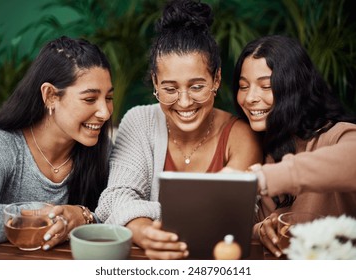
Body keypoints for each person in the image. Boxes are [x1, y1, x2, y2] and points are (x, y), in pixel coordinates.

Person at [95, 0, 262, 260]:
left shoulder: (240, 137)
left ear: (216, 79)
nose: (184, 102)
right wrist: (143, 233)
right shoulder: (139, 121)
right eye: (170, 89)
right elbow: (114, 199)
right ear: (155, 82)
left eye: (196, 87)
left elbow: (231, 216)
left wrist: (137, 215)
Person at [231, 34, 356, 257]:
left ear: (294, 87)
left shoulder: (335, 135)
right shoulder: (259, 149)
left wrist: (265, 178)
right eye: (243, 86)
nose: (250, 97)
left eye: (265, 86)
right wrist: (260, 231)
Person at [0, 36, 114, 250]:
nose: (104, 112)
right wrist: (48, 215)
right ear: (50, 96)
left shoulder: (103, 150)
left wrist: (83, 216)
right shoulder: (2, 145)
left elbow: (124, 212)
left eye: (109, 98)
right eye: (90, 99)